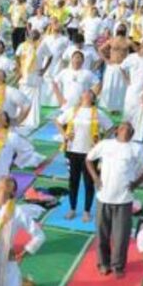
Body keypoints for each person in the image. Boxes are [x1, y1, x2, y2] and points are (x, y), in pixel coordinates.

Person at [86, 121, 143, 276]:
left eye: (129, 128)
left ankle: (118, 266)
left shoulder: (137, 148)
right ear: (116, 130)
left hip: (124, 199)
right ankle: (103, 263)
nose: (125, 129)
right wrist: (96, 178)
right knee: (102, 234)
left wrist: (136, 183)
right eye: (122, 126)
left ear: (133, 132)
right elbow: (89, 159)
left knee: (121, 236)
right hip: (103, 198)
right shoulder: (105, 144)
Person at [56, 90, 114, 222]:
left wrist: (102, 140)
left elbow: (111, 127)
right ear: (81, 97)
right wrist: (64, 135)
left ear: (93, 98)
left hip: (90, 153)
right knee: (73, 181)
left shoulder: (98, 113)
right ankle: (72, 208)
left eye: (90, 93)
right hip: (72, 150)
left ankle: (86, 211)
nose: (87, 95)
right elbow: (59, 121)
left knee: (89, 182)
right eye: (84, 93)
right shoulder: (73, 110)